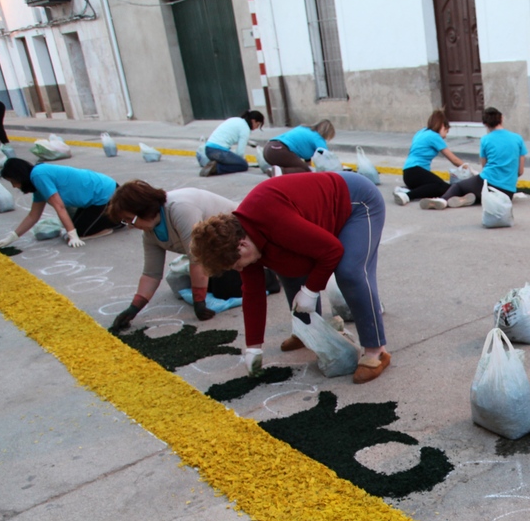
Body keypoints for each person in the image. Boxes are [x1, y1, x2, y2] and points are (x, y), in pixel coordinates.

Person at [189, 171, 390, 383]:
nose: (240, 269)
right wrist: (253, 347)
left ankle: (376, 351)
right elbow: (253, 293)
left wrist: (311, 291)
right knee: (289, 267)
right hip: (320, 217)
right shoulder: (240, 240)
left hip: (357, 202)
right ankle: (307, 329)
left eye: (237, 264)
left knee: (349, 272)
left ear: (242, 244)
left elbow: (331, 250)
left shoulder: (271, 218)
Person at [104, 180, 240, 330]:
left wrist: (199, 301)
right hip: (211, 253)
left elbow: (197, 259)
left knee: (226, 287)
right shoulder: (149, 232)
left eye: (131, 219)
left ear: (144, 209)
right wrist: (133, 310)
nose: (130, 226)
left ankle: (268, 274)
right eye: (126, 221)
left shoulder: (180, 210)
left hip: (237, 242)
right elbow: (151, 274)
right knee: (182, 280)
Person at [0, 157, 118, 249]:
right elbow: (33, 216)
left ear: (19, 176)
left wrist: (73, 235)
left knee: (81, 233)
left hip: (106, 193)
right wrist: (12, 237)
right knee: (74, 227)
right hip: (93, 199)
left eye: (12, 181)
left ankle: (120, 220)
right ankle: (117, 214)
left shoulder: (38, 175)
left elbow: (60, 207)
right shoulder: (37, 183)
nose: (14, 186)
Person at [420, 106, 527, 210]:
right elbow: (520, 171)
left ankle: (442, 200)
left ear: (485, 124)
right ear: (502, 118)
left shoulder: (486, 140)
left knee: (459, 186)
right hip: (508, 193)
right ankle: (469, 199)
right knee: (482, 194)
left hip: (488, 183)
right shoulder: (518, 139)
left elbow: (485, 167)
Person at [395, 109, 474, 207]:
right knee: (442, 186)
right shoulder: (435, 136)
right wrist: (471, 170)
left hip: (408, 174)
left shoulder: (421, 132)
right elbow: (454, 160)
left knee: (436, 185)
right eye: (446, 131)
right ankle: (407, 195)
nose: (445, 136)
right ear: (442, 126)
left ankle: (407, 190)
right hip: (416, 171)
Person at [200, 110, 266, 176]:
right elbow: (240, 152)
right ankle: (217, 168)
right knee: (243, 165)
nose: (256, 128)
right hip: (219, 152)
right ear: (253, 121)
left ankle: (214, 165)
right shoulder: (245, 129)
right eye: (257, 125)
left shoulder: (236, 120)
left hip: (208, 150)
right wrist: (242, 160)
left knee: (233, 160)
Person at [259, 120, 335, 175]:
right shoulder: (318, 138)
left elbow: (306, 157)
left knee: (301, 168)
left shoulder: (304, 128)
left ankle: (277, 172)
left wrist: (308, 166)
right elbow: (325, 157)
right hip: (279, 150)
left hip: (268, 149)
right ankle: (279, 171)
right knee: (305, 170)